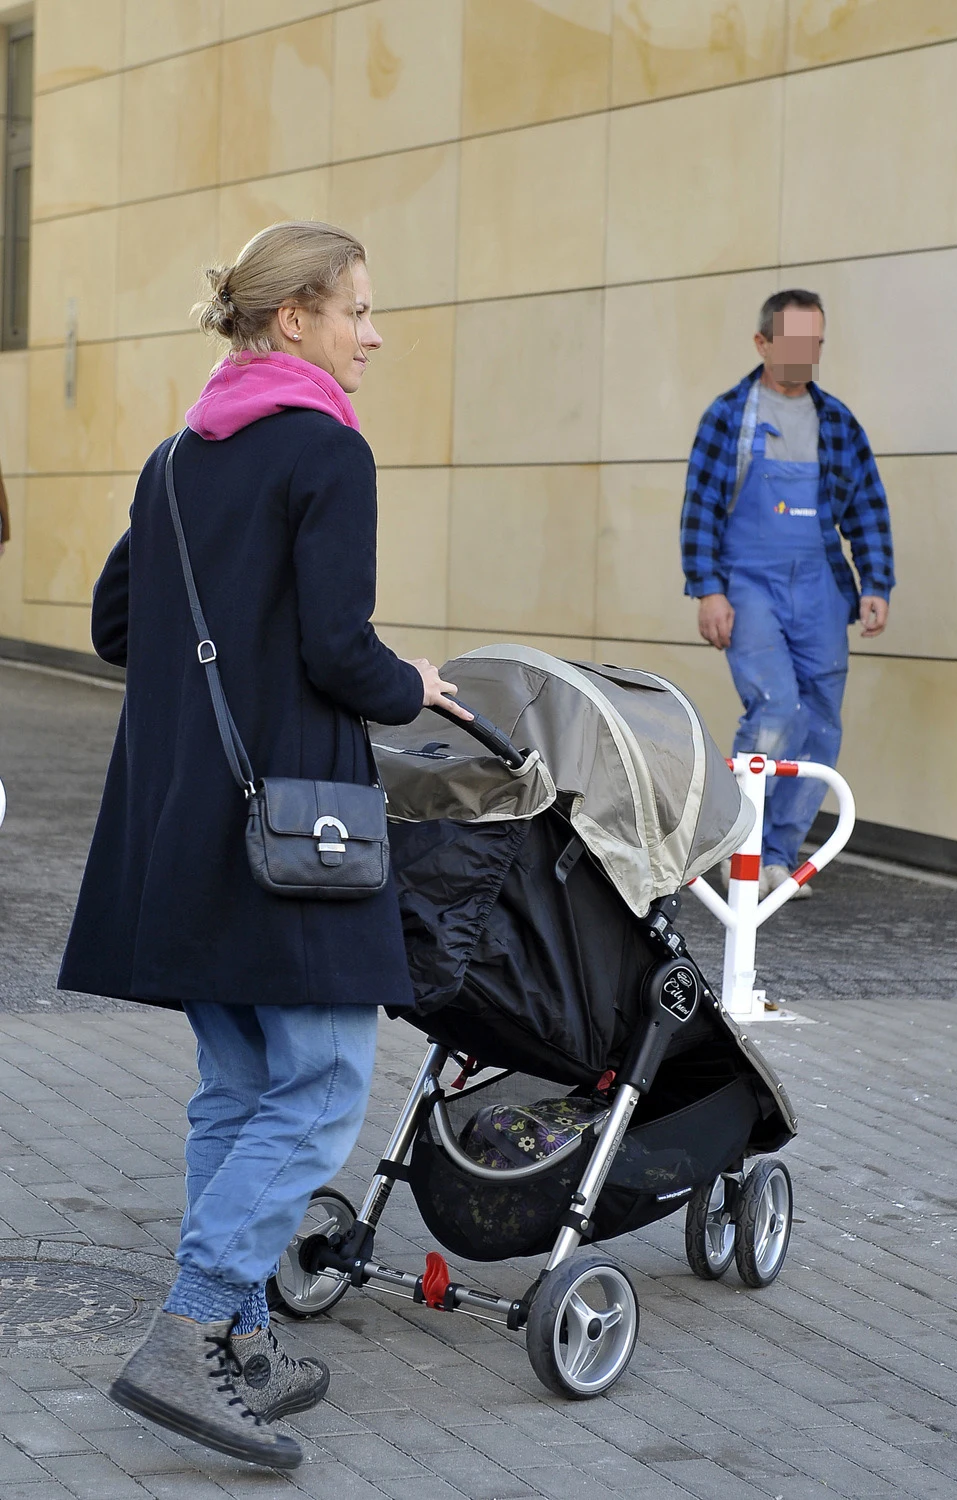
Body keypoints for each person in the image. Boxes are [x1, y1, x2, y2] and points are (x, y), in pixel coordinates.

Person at [58, 221, 471, 1470]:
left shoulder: (179, 454)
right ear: (292, 316)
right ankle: (188, 1331)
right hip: (299, 824)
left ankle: (238, 1339)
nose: (373, 334)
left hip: (182, 816)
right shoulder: (326, 450)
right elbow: (342, 652)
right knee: (325, 1084)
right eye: (358, 310)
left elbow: (115, 624)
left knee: (238, 1085)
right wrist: (418, 684)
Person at [680, 290, 894, 897]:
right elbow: (700, 512)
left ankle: (778, 856)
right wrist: (709, 591)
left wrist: (874, 582)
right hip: (749, 584)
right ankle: (736, 844)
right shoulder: (728, 416)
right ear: (763, 343)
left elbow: (868, 509)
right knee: (777, 706)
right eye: (795, 341)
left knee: (822, 723)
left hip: (820, 585)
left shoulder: (838, 423)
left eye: (815, 343)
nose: (806, 353)